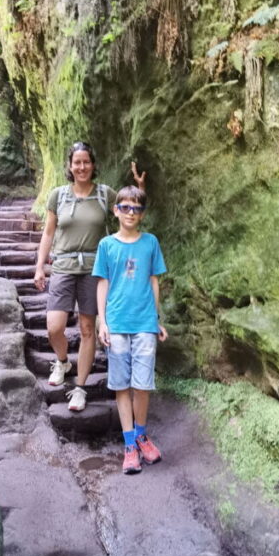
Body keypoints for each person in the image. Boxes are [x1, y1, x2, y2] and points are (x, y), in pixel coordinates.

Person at [33, 142, 144, 412]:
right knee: (54, 326)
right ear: (70, 166)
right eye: (76, 162)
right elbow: (48, 232)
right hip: (63, 267)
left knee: (86, 329)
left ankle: (80, 388)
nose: (81, 167)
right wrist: (39, 266)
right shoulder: (58, 196)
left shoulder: (105, 194)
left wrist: (140, 189)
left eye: (86, 162)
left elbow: (130, 211)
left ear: (93, 165)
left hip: (95, 269)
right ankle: (62, 361)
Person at [93, 185, 168, 474]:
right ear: (116, 211)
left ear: (142, 213)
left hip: (144, 324)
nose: (130, 213)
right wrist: (103, 321)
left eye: (136, 208)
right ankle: (129, 445)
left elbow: (153, 281)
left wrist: (156, 319)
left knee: (142, 383)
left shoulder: (150, 243)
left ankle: (141, 436)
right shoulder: (107, 245)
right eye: (125, 207)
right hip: (117, 323)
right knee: (122, 384)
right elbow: (103, 283)